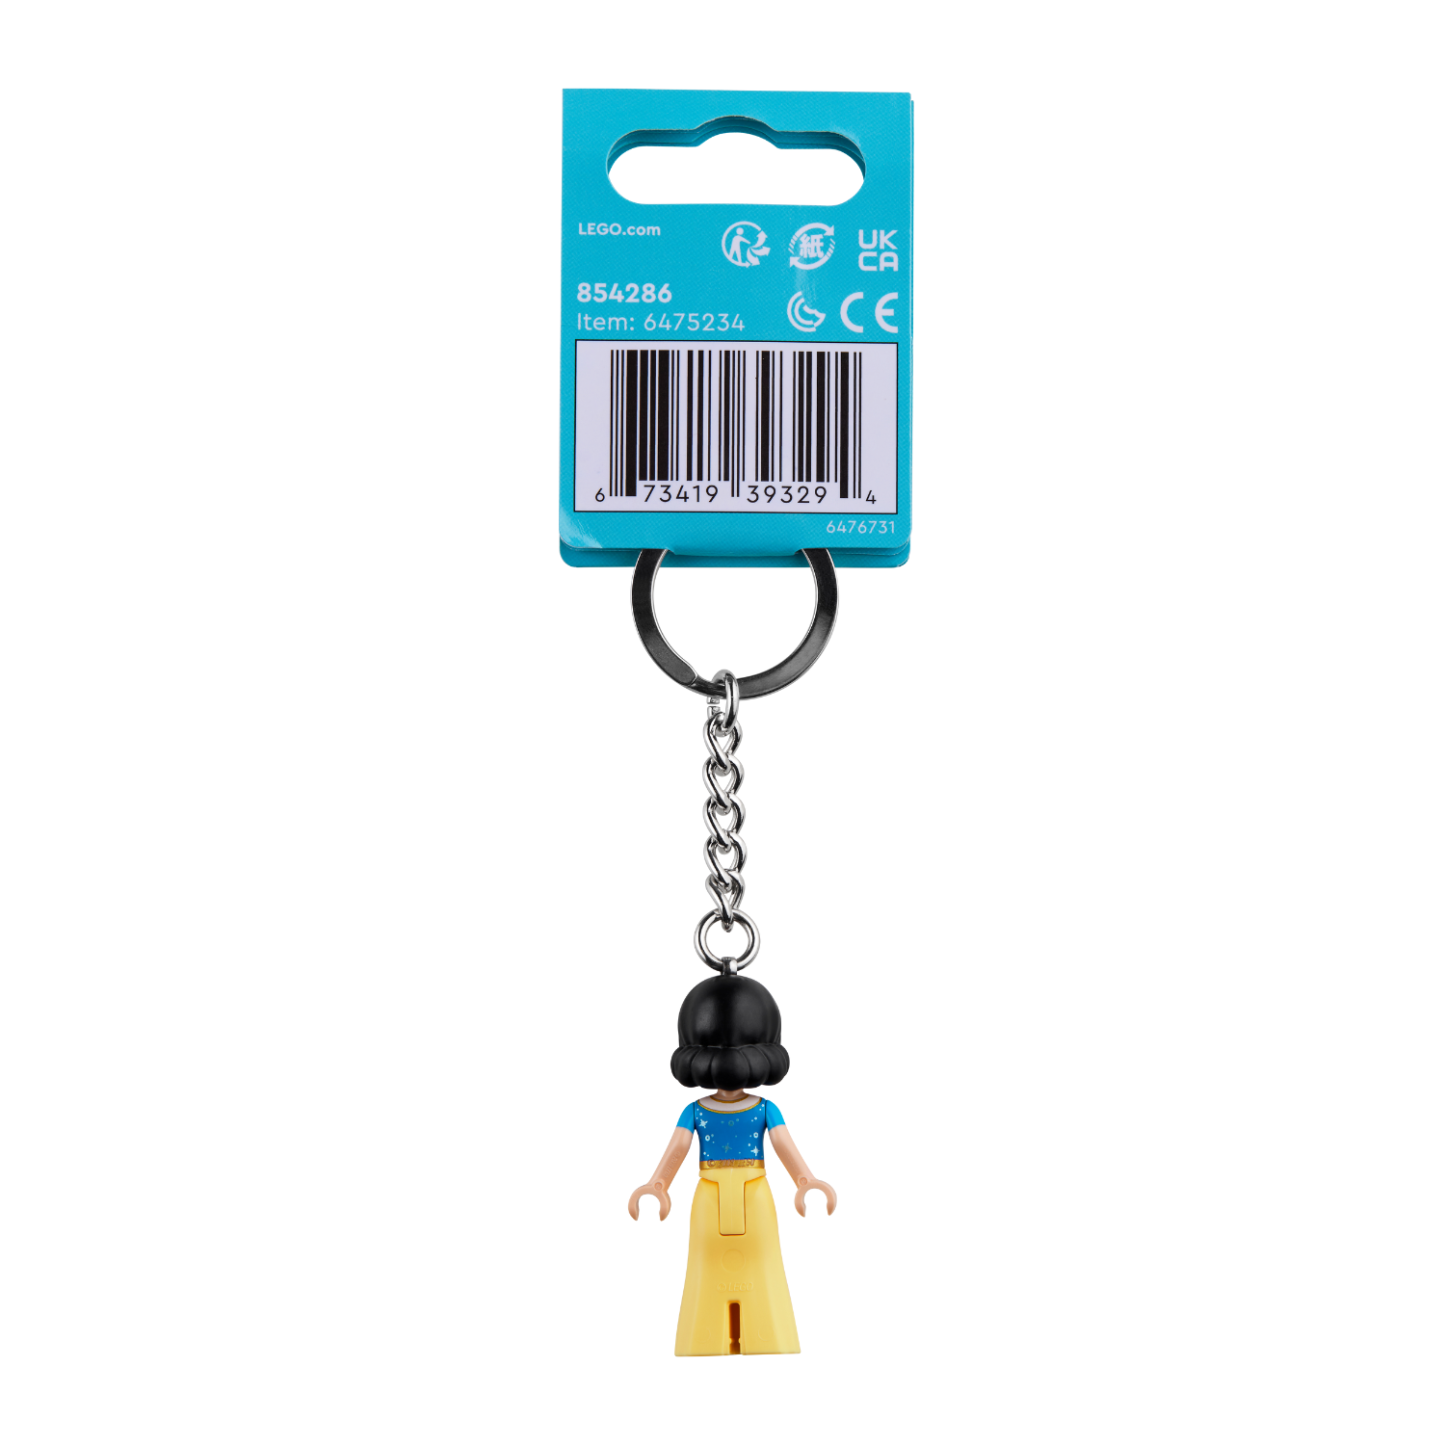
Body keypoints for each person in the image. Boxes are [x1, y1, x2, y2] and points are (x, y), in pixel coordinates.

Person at [628, 972, 836, 1355]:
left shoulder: (764, 1108)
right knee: (704, 1262)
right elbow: (677, 1149)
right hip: (709, 1195)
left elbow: (783, 1145)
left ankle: (767, 1336)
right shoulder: (695, 1111)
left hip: (755, 1193)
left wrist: (806, 1181)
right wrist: (657, 1186)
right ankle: (704, 1338)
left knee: (763, 1261)